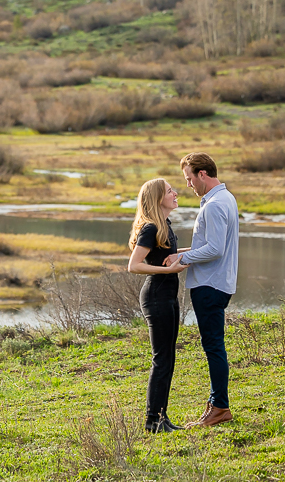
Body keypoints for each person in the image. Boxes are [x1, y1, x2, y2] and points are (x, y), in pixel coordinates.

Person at [164, 151, 239, 428]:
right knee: (213, 346)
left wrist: (181, 259)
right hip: (216, 282)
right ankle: (215, 403)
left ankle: (219, 407)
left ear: (202, 174)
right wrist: (178, 252)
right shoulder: (224, 198)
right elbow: (209, 245)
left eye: (189, 178)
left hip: (210, 284)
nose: (188, 185)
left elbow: (215, 249)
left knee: (213, 347)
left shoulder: (215, 205)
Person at [126, 178, 186, 434]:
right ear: (157, 197)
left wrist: (203, 251)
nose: (175, 193)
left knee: (168, 359)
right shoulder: (150, 228)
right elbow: (134, 265)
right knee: (162, 360)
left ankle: (162, 417)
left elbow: (166, 256)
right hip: (156, 297)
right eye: (170, 191)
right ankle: (153, 421)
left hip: (168, 296)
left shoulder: (164, 226)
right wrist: (169, 270)